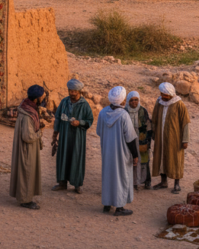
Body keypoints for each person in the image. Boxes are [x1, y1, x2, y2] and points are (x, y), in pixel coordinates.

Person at [98, 86, 138, 216]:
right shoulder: (123, 115)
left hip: (107, 151)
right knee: (121, 177)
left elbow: (99, 131)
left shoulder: (103, 113)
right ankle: (119, 207)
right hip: (121, 153)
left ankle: (107, 204)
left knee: (108, 176)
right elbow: (130, 138)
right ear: (122, 100)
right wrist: (135, 155)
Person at [52, 78, 93, 193]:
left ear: (79, 91)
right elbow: (58, 117)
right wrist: (55, 133)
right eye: (70, 91)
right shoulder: (64, 102)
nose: (72, 93)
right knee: (63, 157)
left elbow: (90, 119)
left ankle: (77, 184)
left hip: (78, 137)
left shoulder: (84, 105)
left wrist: (80, 122)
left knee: (77, 157)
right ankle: (62, 182)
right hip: (65, 136)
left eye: (74, 91)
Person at [10, 85, 45, 210]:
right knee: (27, 172)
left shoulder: (27, 108)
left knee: (27, 171)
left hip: (29, 147)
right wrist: (39, 133)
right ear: (36, 99)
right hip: (27, 148)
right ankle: (25, 200)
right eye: (41, 97)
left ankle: (26, 197)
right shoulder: (27, 114)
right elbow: (27, 136)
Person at [151, 82, 190, 194]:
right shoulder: (159, 102)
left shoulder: (179, 104)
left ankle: (176, 184)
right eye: (162, 94)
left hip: (175, 138)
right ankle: (163, 182)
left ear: (170, 94)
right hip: (161, 137)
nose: (163, 96)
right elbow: (154, 118)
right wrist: (153, 133)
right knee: (162, 158)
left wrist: (185, 139)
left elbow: (185, 123)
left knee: (175, 159)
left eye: (165, 95)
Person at [125, 91, 153, 190]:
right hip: (129, 140)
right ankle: (133, 182)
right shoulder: (125, 111)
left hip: (142, 139)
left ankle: (146, 181)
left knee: (144, 160)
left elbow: (148, 125)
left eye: (136, 100)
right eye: (132, 100)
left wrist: (148, 139)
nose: (134, 102)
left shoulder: (143, 111)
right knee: (131, 160)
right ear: (128, 101)